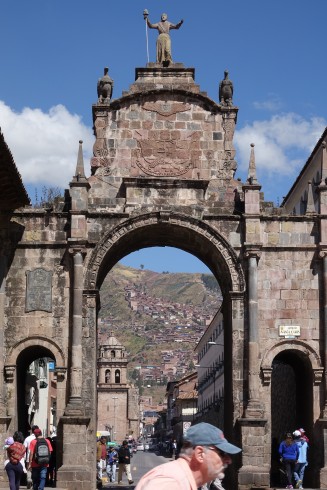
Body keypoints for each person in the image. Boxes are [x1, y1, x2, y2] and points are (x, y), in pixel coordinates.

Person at [135, 422, 241, 490]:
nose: (228, 460)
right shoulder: (172, 483)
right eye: (222, 453)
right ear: (200, 454)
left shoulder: (181, 480)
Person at [24, 425, 39, 489]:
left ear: (32, 431)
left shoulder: (27, 438)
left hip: (28, 457)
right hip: (37, 458)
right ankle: (34, 483)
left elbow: (24, 448)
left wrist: (24, 457)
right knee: (36, 470)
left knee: (29, 469)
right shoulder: (40, 438)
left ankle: (29, 479)